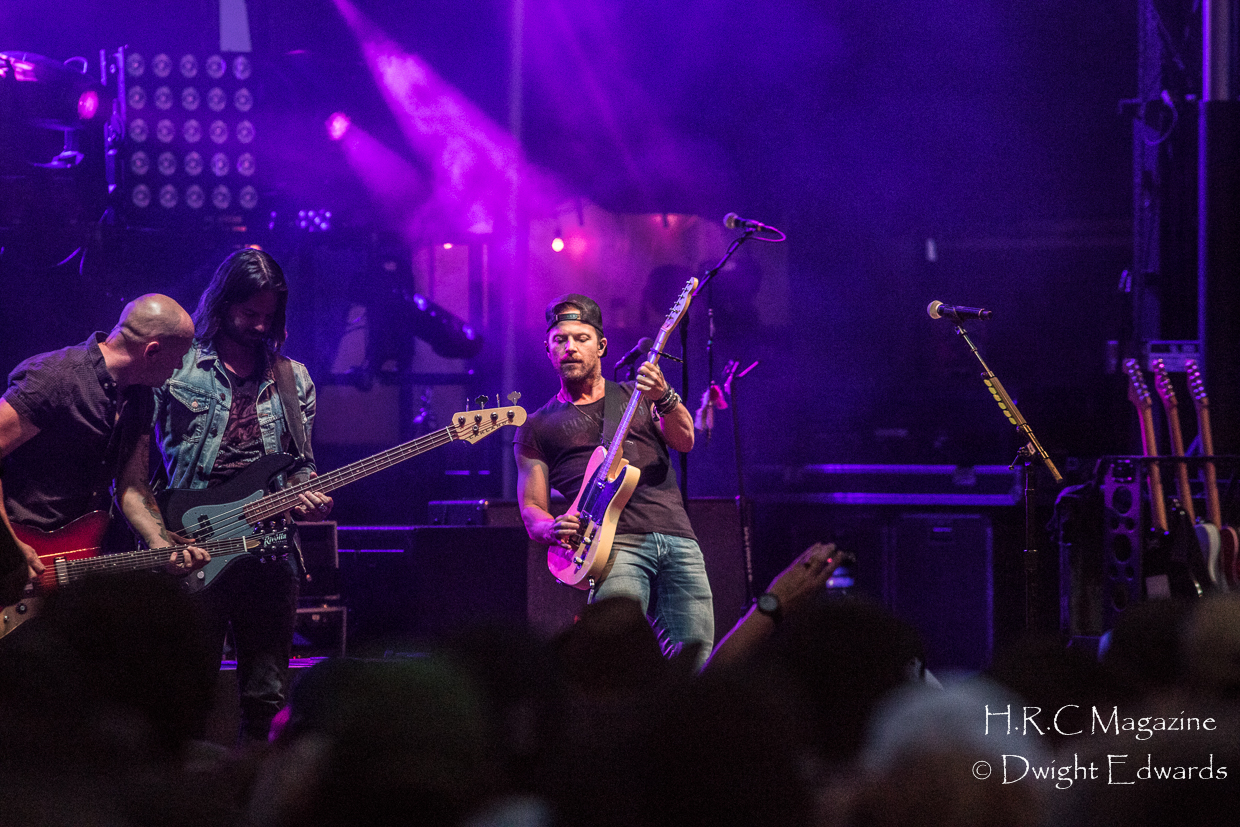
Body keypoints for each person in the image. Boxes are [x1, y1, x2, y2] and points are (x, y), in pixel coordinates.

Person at [153, 247, 333, 744]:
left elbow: (301, 464)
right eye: (249, 313)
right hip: (193, 542)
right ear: (223, 302)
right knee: (187, 691)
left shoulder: (293, 378)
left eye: (268, 316)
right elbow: (138, 462)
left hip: (268, 550)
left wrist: (306, 495)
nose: (259, 325)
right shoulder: (178, 368)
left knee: (267, 696)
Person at [515, 293, 714, 667]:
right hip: (611, 546)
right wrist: (550, 527)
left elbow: (686, 439)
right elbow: (532, 508)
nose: (570, 347)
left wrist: (665, 396)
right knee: (619, 659)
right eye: (560, 340)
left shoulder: (636, 395)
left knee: (695, 657)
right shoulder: (537, 426)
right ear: (547, 348)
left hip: (677, 537)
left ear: (602, 346)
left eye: (581, 338)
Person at [0, 294, 205, 588]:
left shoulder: (141, 397)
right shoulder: (54, 379)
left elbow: (132, 483)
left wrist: (160, 545)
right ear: (152, 351)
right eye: (179, 355)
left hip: (71, 560)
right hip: (16, 553)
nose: (181, 364)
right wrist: (7, 543)